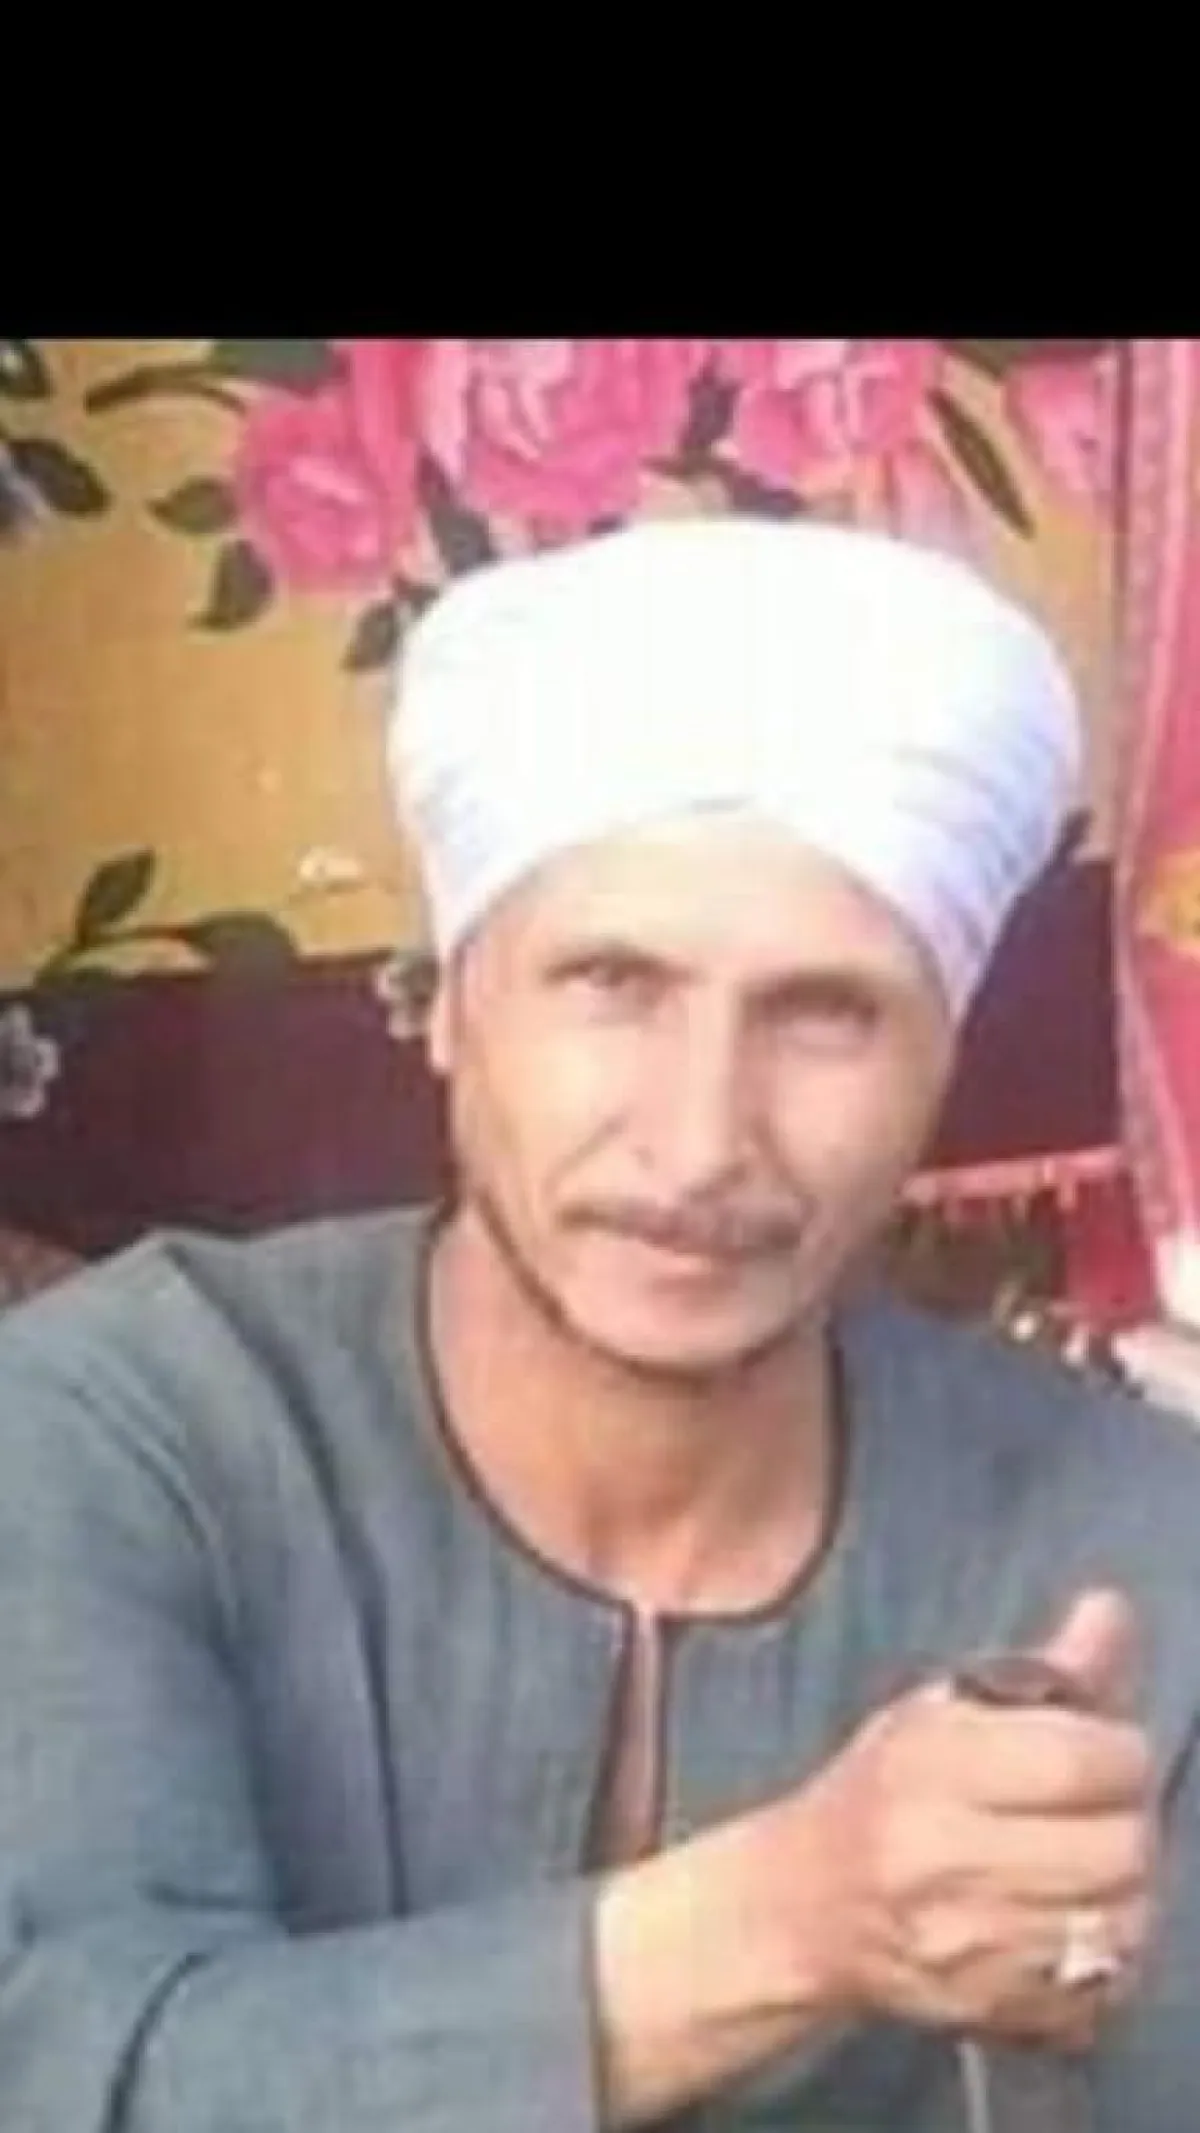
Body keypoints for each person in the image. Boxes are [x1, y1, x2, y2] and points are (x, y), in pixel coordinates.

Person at [0, 516, 1198, 2133]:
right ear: (450, 1006)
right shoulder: (118, 1434)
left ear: (942, 1063)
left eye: (825, 1014)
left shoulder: (1138, 1540)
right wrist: (789, 1919)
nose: (700, 1143)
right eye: (612, 984)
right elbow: (66, 2076)